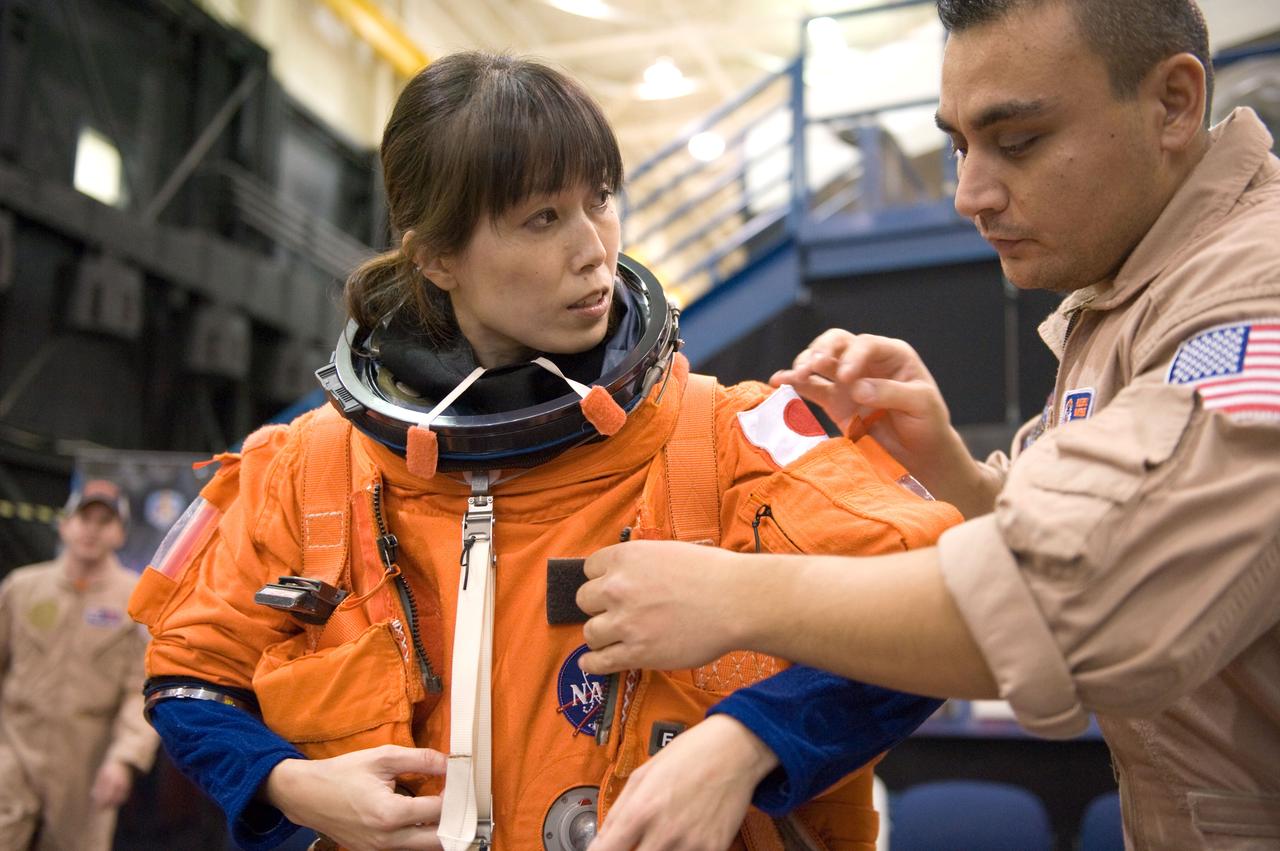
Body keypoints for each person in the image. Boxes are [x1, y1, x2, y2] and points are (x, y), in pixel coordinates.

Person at [128, 52, 963, 851]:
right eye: (542, 218)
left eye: (601, 199)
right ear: (439, 256)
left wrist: (748, 739)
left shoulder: (727, 439)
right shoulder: (305, 469)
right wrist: (292, 784)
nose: (595, 247)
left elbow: (952, 607)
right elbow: (187, 677)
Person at [577, 0, 1280, 847]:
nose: (968, 195)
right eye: (958, 145)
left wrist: (731, 599)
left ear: (1173, 102)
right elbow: (1088, 529)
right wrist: (955, 472)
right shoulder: (1127, 297)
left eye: (1017, 142)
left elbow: (1078, 600)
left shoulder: (1251, 297)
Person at [0, 479, 159, 851]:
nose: (92, 529)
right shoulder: (22, 588)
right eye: (84, 518)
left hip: (86, 764)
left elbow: (141, 688)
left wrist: (124, 759)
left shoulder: (134, 602)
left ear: (119, 533)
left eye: (105, 521)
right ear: (65, 524)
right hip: (13, 749)